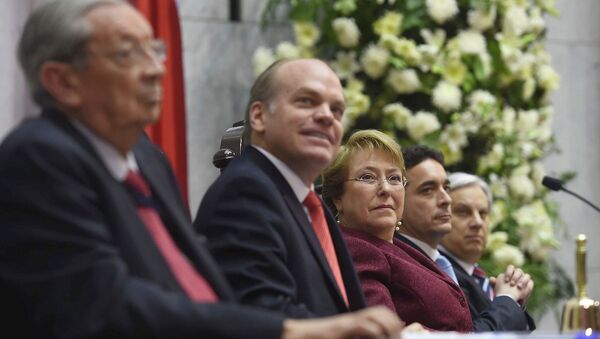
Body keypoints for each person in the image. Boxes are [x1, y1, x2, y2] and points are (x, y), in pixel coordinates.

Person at [0, 1, 405, 338]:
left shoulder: (148, 160)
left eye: (155, 51)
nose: (157, 69)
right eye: (128, 53)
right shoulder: (38, 157)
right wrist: (291, 330)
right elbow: (100, 304)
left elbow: (202, 290)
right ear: (63, 81)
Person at [194, 58, 373, 318]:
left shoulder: (310, 203)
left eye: (336, 110)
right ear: (259, 116)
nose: (327, 117)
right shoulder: (245, 192)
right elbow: (262, 317)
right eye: (307, 101)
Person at [321, 129, 473, 332]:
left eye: (394, 178)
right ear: (338, 198)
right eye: (367, 177)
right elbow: (382, 333)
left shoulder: (399, 246)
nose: (386, 189)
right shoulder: (355, 249)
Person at [397, 145, 535, 332]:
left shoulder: (439, 263)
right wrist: (506, 300)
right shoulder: (404, 264)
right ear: (397, 200)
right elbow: (468, 335)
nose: (446, 199)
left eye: (445, 187)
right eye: (428, 190)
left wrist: (512, 302)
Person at [440, 172, 536, 330]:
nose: (477, 222)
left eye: (483, 213)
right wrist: (507, 299)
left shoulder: (479, 275)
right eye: (463, 212)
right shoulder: (440, 273)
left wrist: (515, 304)